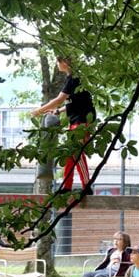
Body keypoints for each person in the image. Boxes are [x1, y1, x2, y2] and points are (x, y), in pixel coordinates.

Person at [31, 56, 96, 195]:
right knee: (70, 154)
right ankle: (67, 186)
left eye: (57, 62)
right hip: (77, 120)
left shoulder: (74, 79)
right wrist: (58, 111)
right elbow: (75, 103)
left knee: (77, 154)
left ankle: (87, 186)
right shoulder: (73, 79)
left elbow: (60, 99)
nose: (57, 64)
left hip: (82, 121)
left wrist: (39, 110)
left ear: (65, 63)